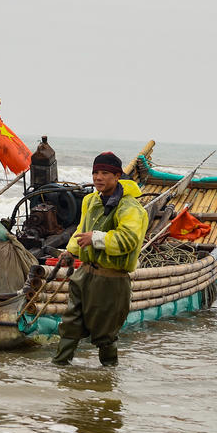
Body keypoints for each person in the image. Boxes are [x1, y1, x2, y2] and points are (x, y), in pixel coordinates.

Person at [52, 151, 148, 367]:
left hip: (111, 279)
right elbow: (82, 230)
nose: (98, 177)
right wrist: (71, 251)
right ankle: (59, 367)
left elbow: (129, 240)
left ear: (117, 176)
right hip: (84, 274)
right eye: (95, 172)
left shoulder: (130, 207)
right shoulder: (91, 200)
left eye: (105, 173)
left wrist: (96, 238)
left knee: (105, 335)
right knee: (70, 325)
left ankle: (108, 378)